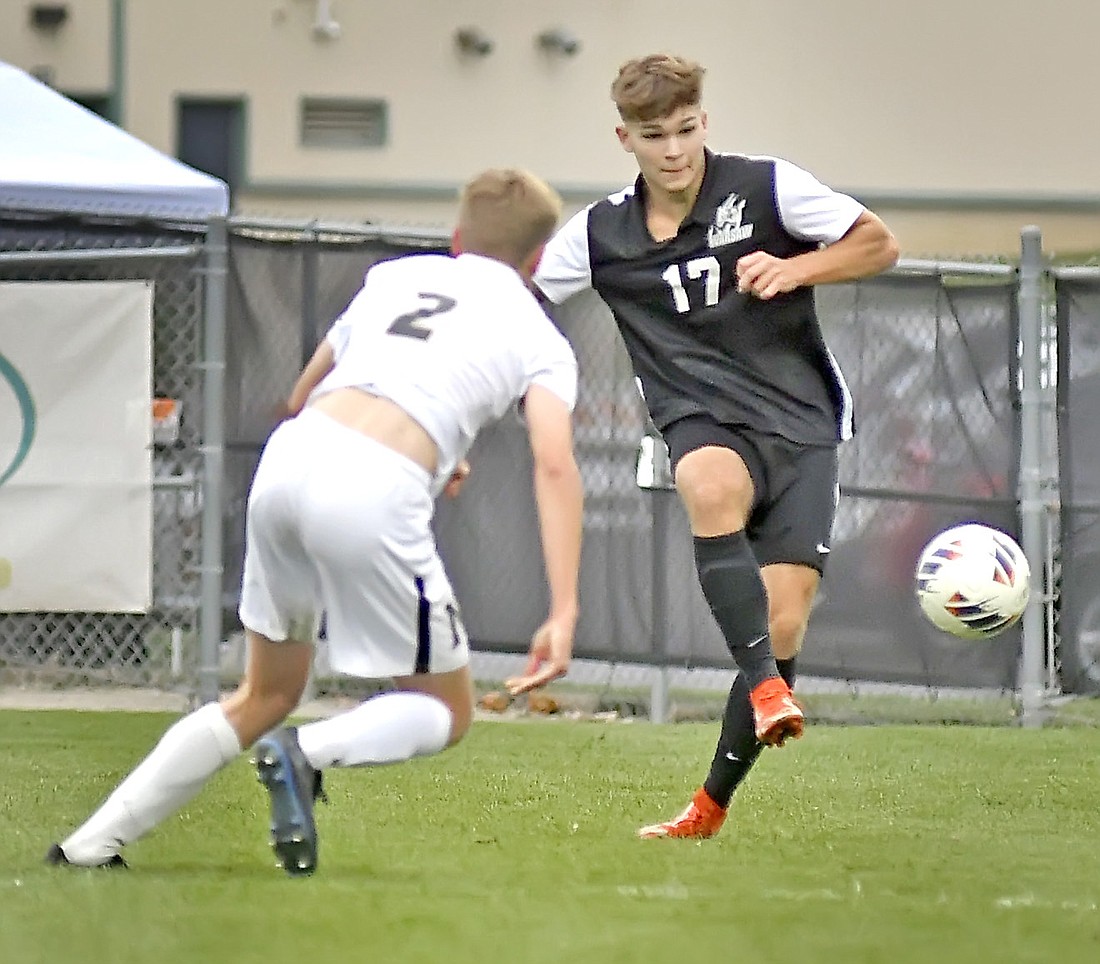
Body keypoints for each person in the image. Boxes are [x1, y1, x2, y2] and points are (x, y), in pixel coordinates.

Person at [46, 168, 584, 875]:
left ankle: (90, 844)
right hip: (371, 489)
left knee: (264, 692)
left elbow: (307, 389)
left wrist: (421, 444)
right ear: (539, 260)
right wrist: (564, 608)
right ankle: (307, 752)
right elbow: (553, 463)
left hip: (291, 458)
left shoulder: (395, 278)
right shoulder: (537, 333)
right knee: (445, 709)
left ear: (457, 237)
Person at [535, 54, 899, 839]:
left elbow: (879, 245)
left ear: (706, 121)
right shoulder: (598, 233)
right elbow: (518, 295)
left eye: (687, 129)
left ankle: (709, 806)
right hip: (700, 418)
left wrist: (799, 264)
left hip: (800, 424)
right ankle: (769, 688)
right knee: (706, 484)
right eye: (654, 135)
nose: (674, 149)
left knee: (787, 620)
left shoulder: (766, 187)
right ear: (624, 137)